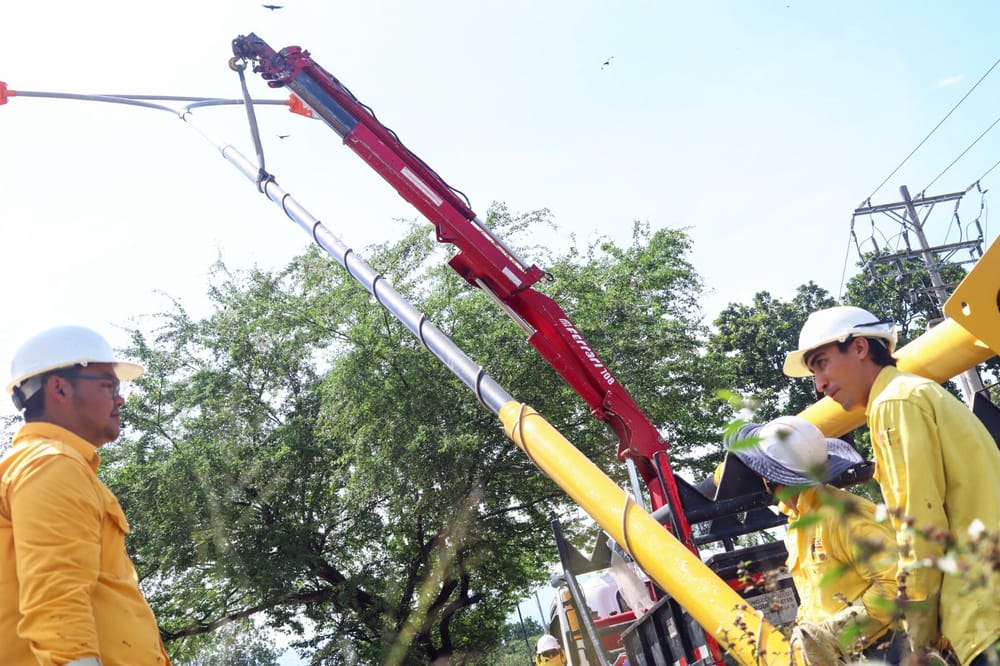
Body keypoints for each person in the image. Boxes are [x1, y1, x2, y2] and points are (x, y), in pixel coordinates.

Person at [785, 305, 1000, 666]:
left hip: (982, 614)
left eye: (821, 362)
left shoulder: (893, 404)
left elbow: (921, 529)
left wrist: (919, 635)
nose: (819, 384)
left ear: (859, 347)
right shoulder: (916, 394)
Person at [1, 325, 171, 665]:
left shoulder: (52, 464)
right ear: (60, 388)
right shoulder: (51, 465)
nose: (119, 398)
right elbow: (56, 599)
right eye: (108, 385)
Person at [727, 415, 901, 663]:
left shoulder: (840, 517)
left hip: (884, 651)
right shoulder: (800, 521)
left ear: (770, 478)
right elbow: (816, 597)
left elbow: (897, 584)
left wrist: (836, 633)